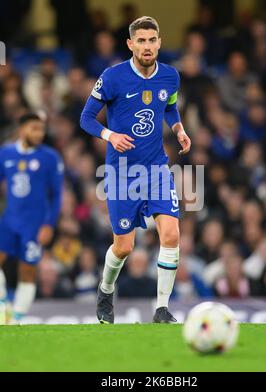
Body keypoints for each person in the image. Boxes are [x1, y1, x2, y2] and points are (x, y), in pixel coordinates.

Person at [80, 16, 191, 324]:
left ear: (159, 42)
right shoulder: (113, 77)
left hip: (156, 168)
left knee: (171, 234)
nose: (147, 46)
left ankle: (162, 309)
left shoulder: (170, 76)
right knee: (124, 246)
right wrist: (110, 135)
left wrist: (179, 128)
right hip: (122, 174)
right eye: (140, 41)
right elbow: (86, 118)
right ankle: (105, 289)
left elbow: (168, 105)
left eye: (151, 40)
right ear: (130, 44)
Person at [0, 113, 64, 324]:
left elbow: (56, 195)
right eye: (34, 128)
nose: (39, 133)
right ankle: (3, 306)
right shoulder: (6, 153)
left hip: (34, 224)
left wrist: (49, 224)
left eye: (41, 129)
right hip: (9, 220)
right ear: (22, 129)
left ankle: (16, 318)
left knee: (27, 271)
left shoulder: (50, 157)